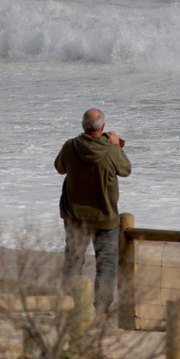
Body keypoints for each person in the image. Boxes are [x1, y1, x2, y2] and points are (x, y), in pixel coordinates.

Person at [54, 108, 131, 318]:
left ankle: (70, 306)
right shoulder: (111, 150)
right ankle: (102, 311)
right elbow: (125, 170)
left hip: (74, 216)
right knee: (106, 264)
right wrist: (117, 147)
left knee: (73, 261)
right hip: (104, 217)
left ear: (83, 126)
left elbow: (59, 167)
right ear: (103, 128)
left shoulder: (71, 147)